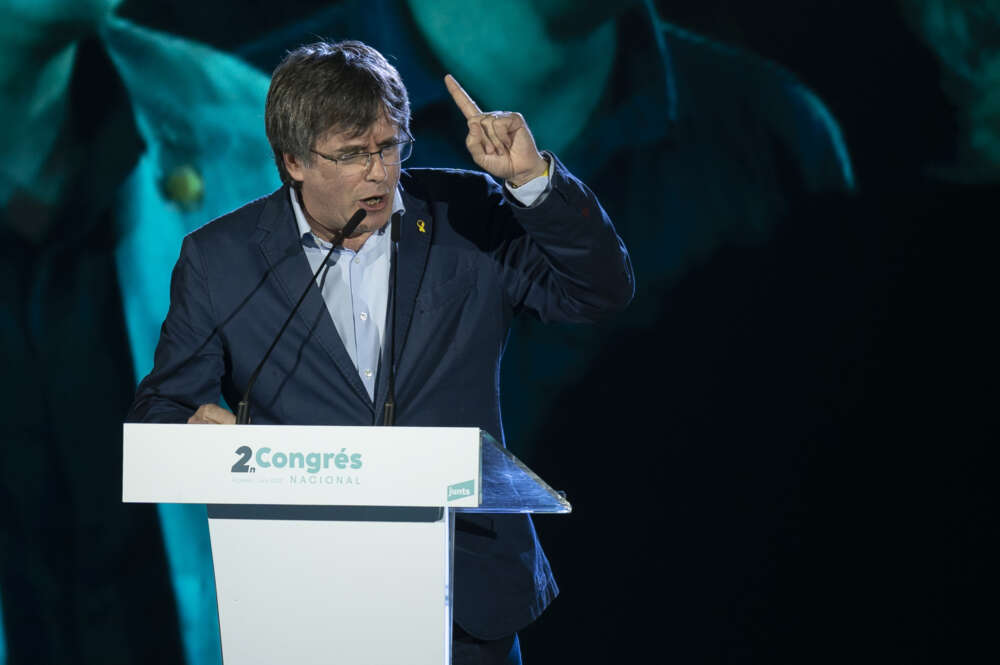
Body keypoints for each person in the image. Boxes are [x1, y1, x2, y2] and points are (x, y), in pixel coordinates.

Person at [127, 40, 634, 664]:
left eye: (389, 147)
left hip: (465, 596)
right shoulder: (220, 260)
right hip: (304, 599)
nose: (378, 172)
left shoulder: (466, 212)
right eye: (350, 155)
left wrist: (532, 183)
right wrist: (194, 427)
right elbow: (161, 410)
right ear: (293, 162)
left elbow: (598, 292)